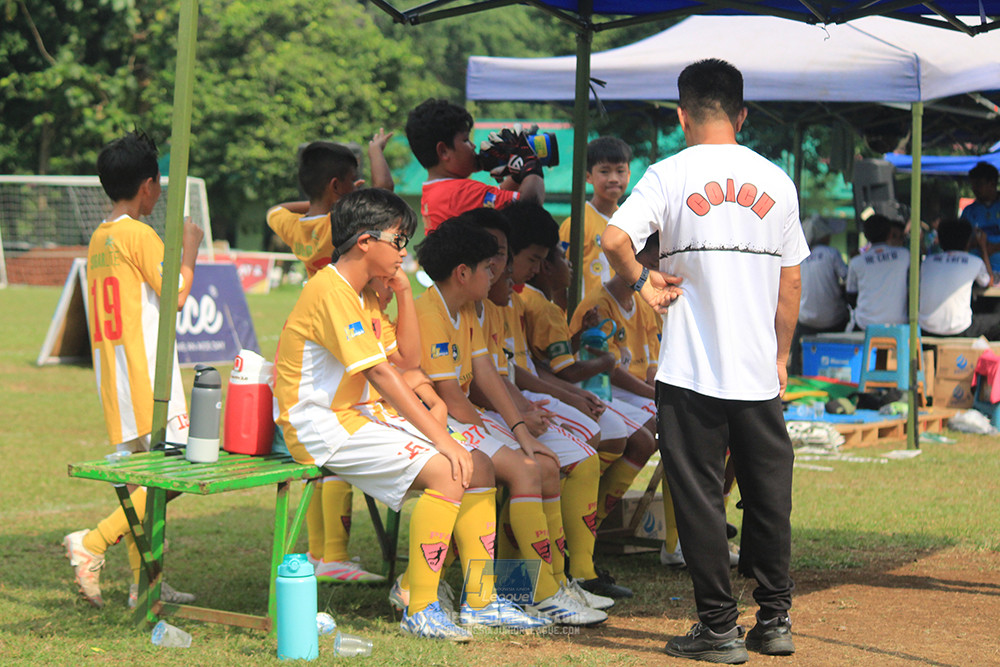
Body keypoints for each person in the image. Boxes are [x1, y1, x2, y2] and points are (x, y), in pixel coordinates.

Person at [603, 58, 807, 663]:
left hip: (689, 372)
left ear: (681, 116)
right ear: (742, 116)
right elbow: (791, 282)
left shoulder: (667, 174)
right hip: (756, 372)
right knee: (768, 496)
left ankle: (718, 629)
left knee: (698, 497)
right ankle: (774, 621)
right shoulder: (777, 180)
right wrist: (781, 355)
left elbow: (614, 239)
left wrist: (640, 281)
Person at [274, 188, 544, 640]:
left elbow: (406, 360)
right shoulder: (331, 290)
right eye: (398, 240)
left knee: (477, 465)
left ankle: (481, 601)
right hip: (319, 423)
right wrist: (442, 439)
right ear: (365, 242)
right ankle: (419, 605)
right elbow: (382, 374)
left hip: (358, 412)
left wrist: (400, 289)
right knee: (450, 469)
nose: (404, 252)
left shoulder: (364, 295)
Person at [413, 217, 606, 626]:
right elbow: (451, 395)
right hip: (436, 421)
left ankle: (543, 585)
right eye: (488, 267)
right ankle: (531, 593)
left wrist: (519, 431)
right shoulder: (429, 312)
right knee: (526, 469)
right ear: (462, 273)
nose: (496, 273)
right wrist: (504, 439)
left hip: (461, 417)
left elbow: (486, 372)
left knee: (544, 465)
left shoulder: (466, 309)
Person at [64, 131, 200, 609]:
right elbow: (176, 296)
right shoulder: (138, 234)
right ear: (149, 185)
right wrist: (190, 247)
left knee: (145, 481)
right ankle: (93, 542)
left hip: (115, 377)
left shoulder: (100, 236)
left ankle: (146, 584)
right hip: (147, 377)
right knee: (179, 470)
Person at [516, 203, 658, 600]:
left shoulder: (532, 302)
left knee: (613, 440)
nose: (570, 264)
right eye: (558, 258)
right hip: (518, 405)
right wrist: (583, 383)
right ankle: (565, 565)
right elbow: (547, 371)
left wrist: (573, 388)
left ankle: (574, 559)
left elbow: (533, 365)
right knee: (589, 446)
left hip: (535, 396)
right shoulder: (533, 303)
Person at [266, 140, 385, 583]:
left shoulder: (299, 227)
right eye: (352, 184)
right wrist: (375, 155)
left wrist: (320, 199)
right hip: (341, 329)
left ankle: (322, 554)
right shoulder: (341, 227)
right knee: (340, 432)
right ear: (337, 187)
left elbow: (274, 210)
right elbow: (384, 197)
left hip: (308, 331)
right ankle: (332, 554)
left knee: (323, 448)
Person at [405, 98, 544, 232]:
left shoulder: (437, 190)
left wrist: (518, 175)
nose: (473, 146)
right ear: (443, 151)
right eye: (466, 140)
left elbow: (497, 199)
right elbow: (529, 207)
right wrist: (530, 160)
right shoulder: (459, 194)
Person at [558, 136, 631, 303]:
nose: (613, 178)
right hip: (586, 315)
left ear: (628, 175)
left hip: (620, 315)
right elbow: (559, 279)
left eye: (620, 171)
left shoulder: (630, 222)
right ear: (588, 176)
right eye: (605, 171)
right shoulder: (576, 224)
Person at [919, 218, 1000, 338]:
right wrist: (983, 247)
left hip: (926, 328)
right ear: (968, 242)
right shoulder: (974, 262)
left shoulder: (928, 262)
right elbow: (989, 281)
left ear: (940, 240)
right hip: (958, 330)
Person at [792, 216, 848, 374]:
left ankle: (796, 371)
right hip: (833, 321)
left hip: (806, 321)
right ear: (824, 235)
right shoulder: (832, 253)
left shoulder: (800, 257)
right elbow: (847, 278)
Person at [846, 214, 909, 331]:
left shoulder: (856, 262)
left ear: (865, 235)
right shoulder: (904, 255)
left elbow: (851, 297)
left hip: (865, 325)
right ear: (890, 234)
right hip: (898, 323)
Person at [960, 161, 1000, 272]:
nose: (974, 188)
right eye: (972, 185)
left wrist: (995, 247)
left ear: (992, 183)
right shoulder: (968, 211)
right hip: (976, 273)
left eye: (978, 184)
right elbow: (960, 243)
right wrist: (976, 244)